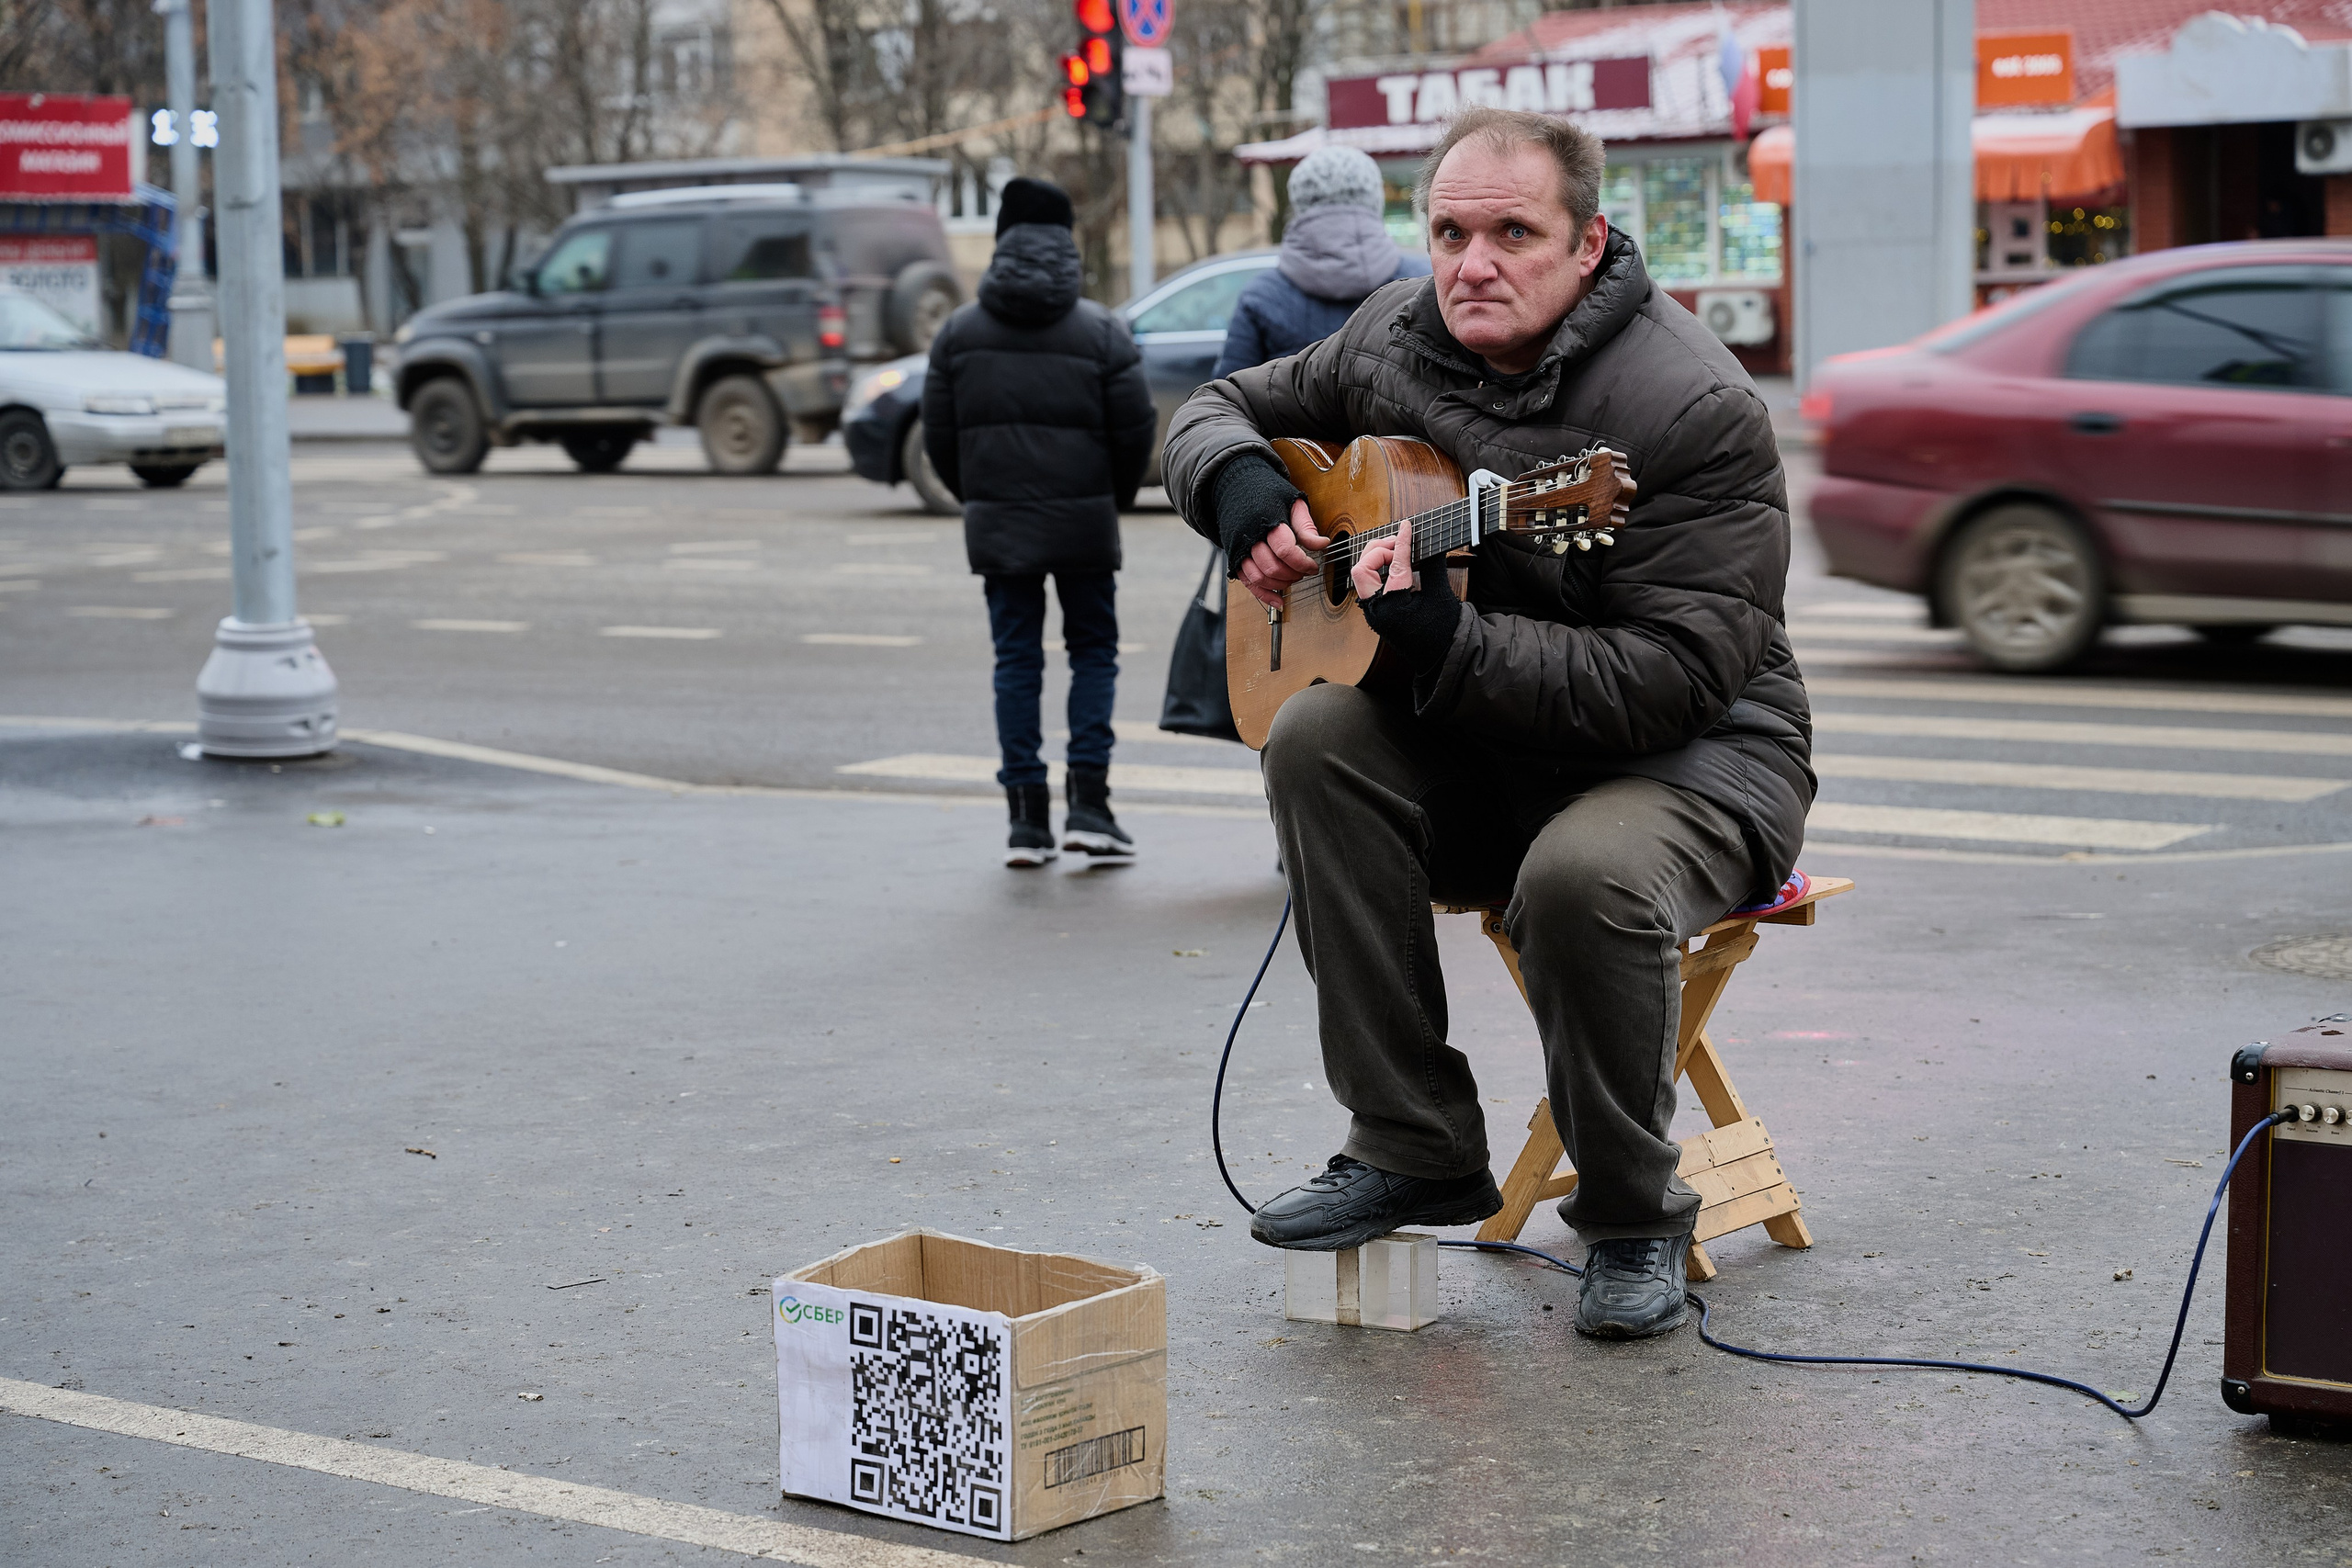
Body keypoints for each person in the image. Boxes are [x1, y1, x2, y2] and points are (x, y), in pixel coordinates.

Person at [1162, 108, 1814, 1339]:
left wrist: (1446, 643)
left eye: (1515, 231)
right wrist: (1240, 490)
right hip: (1485, 747)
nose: (1474, 263)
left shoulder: (1689, 406)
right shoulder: (1393, 336)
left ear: (1589, 244)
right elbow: (1213, 405)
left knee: (1580, 873)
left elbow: (1669, 678)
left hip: (1694, 759)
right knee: (1312, 738)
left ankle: (1632, 1214)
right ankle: (1411, 1139)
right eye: (1452, 230)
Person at [923, 177, 1158, 868]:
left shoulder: (958, 333)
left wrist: (981, 495)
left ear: (1001, 239)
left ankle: (1026, 821)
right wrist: (1108, 497)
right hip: (1085, 523)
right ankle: (1090, 805)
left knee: (1015, 661)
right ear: (1067, 242)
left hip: (1000, 525)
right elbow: (1134, 432)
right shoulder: (1101, 330)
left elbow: (941, 437)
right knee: (1093, 654)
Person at [1210, 145, 1430, 382]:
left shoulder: (1262, 295)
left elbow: (1229, 397)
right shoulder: (1423, 283)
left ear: (1299, 204)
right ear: (1376, 201)